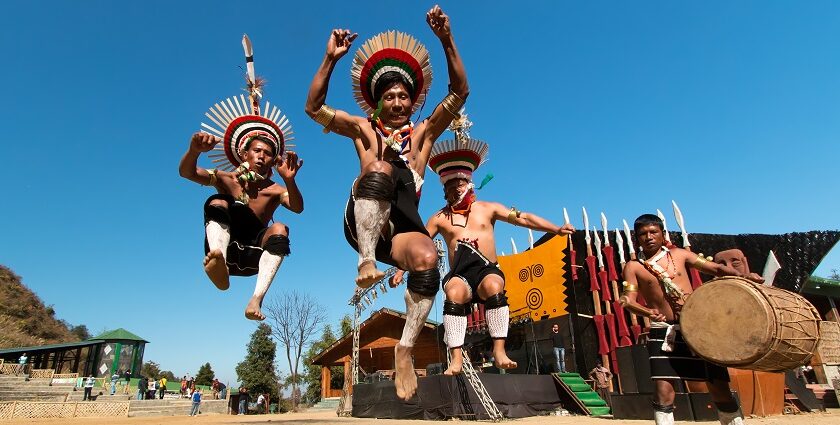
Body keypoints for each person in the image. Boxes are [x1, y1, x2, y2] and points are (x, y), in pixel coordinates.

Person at [305, 5, 468, 401]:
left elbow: (459, 92)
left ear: (413, 102)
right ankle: (365, 262)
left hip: (401, 230)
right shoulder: (364, 130)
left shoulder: (424, 136)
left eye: (404, 96)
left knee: (429, 257)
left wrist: (446, 39)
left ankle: (406, 346)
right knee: (379, 168)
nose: (397, 102)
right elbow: (313, 108)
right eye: (389, 96)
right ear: (377, 102)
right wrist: (329, 58)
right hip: (364, 220)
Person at [396, 131, 573, 375]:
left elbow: (523, 218)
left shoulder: (487, 209)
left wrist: (555, 228)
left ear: (468, 183)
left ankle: (499, 351)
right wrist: (401, 268)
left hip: (487, 269)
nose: (453, 190)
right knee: (453, 291)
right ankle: (456, 358)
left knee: (492, 285)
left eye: (457, 184)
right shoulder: (439, 218)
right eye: (448, 186)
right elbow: (418, 245)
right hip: (461, 273)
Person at [179, 35, 303, 321]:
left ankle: (256, 300)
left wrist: (291, 181)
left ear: (274, 160)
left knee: (281, 226)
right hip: (224, 248)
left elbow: (297, 207)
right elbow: (187, 172)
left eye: (268, 153)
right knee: (219, 201)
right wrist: (193, 151)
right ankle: (218, 262)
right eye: (256, 150)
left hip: (252, 257)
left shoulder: (273, 190)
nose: (261, 156)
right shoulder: (227, 179)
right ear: (244, 154)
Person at [620, 214, 763, 425]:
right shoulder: (633, 267)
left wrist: (743, 276)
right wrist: (645, 311)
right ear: (636, 238)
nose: (648, 237)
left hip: (698, 328)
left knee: (719, 387)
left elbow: (714, 268)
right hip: (664, 332)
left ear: (662, 234)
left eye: (653, 232)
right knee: (663, 391)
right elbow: (629, 300)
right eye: (643, 234)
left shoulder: (680, 254)